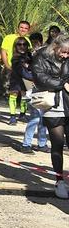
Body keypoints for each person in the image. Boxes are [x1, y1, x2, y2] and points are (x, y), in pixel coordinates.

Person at [32, 35, 69, 198]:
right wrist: (62, 83)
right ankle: (59, 181)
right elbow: (39, 78)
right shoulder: (41, 57)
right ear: (55, 47)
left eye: (68, 53)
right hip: (52, 105)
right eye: (63, 52)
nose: (66, 56)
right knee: (57, 144)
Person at [0, 20, 32, 125]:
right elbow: (3, 52)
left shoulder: (28, 40)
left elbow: (29, 55)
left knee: (24, 93)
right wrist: (7, 66)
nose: (23, 30)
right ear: (18, 28)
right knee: (13, 92)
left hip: (24, 71)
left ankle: (22, 114)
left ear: (28, 30)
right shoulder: (8, 37)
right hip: (12, 69)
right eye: (21, 27)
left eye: (26, 28)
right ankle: (12, 116)